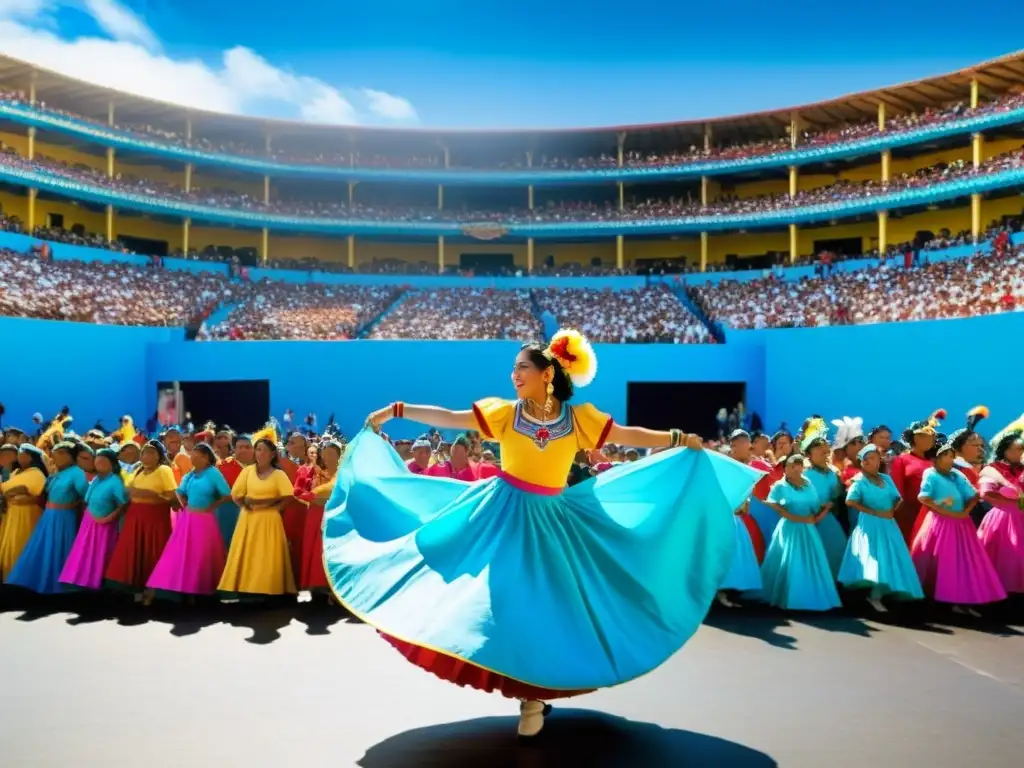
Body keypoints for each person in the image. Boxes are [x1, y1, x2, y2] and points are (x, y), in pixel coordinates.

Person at [323, 329, 761, 739]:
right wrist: (397, 410)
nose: (514, 376)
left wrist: (679, 438)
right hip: (500, 513)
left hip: (552, 520)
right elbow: (451, 418)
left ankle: (532, 698)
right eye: (513, 369)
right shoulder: (504, 414)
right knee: (501, 601)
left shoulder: (579, 420)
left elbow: (629, 434)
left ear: (547, 374)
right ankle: (524, 692)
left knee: (548, 606)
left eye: (522, 369)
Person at [910, 440, 1006, 614]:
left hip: (961, 523)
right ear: (936, 458)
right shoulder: (931, 474)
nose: (949, 458)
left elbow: (973, 495)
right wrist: (940, 509)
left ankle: (960, 596)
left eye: (951, 455)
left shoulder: (957, 475)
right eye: (945, 455)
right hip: (940, 522)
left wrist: (965, 512)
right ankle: (935, 597)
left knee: (962, 559)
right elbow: (923, 497)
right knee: (939, 559)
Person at [838, 445, 924, 612]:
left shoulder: (886, 478)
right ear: (862, 462)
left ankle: (881, 593)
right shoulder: (860, 480)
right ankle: (872, 596)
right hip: (869, 524)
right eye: (867, 459)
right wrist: (872, 511)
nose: (870, 462)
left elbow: (897, 498)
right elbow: (850, 501)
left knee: (890, 557)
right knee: (874, 558)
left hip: (888, 523)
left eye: (874, 458)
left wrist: (891, 510)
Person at [147, 443, 232, 601]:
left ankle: (203, 591)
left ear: (206, 458)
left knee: (202, 556)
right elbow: (180, 491)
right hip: (188, 520)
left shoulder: (213, 473)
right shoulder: (190, 475)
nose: (191, 457)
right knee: (183, 555)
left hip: (205, 521)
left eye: (196, 454)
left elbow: (227, 494)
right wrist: (180, 500)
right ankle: (184, 589)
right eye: (192, 454)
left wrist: (212, 506)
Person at [217, 436, 297, 601]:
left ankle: (269, 592)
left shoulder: (278, 474)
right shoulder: (248, 471)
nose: (260, 453)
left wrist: (275, 507)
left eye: (264, 450)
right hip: (249, 519)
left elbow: (289, 495)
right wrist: (245, 506)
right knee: (248, 555)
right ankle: (247, 590)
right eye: (258, 449)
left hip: (270, 520)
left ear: (272, 454)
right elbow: (236, 494)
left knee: (267, 556)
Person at [760, 454, 842, 611]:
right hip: (790, 528)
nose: (796, 469)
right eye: (792, 466)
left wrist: (824, 509)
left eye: (799, 465)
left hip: (807, 529)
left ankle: (810, 596)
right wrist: (795, 517)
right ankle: (790, 597)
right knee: (791, 561)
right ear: (786, 468)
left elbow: (815, 506)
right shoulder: (780, 486)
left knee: (810, 561)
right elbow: (774, 505)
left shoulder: (808, 484)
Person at [6, 441, 90, 594]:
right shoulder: (57, 473)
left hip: (63, 518)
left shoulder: (77, 472)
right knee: (44, 548)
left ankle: (59, 587)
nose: (56, 456)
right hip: (48, 516)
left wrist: (74, 504)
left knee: (59, 549)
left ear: (70, 456)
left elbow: (87, 495)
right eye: (55, 453)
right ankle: (38, 583)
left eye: (61, 453)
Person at [104, 440, 178, 605]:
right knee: (136, 551)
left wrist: (146, 493)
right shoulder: (138, 470)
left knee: (154, 551)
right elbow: (128, 490)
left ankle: (154, 590)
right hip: (135, 517)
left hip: (155, 517)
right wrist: (138, 493)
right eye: (144, 452)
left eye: (151, 452)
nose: (146, 456)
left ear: (159, 455)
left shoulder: (164, 470)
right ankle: (137, 588)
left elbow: (171, 497)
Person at [59, 449, 128, 590]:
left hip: (104, 526)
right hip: (89, 522)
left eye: (103, 461)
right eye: (97, 460)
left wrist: (108, 518)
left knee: (99, 555)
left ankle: (98, 583)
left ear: (112, 464)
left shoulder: (115, 481)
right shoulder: (96, 479)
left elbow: (123, 505)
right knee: (84, 551)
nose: (99, 463)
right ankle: (81, 580)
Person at [976, 416, 1024, 596]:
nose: (1017, 453)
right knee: (1005, 558)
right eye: (1013, 449)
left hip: (1021, 517)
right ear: (1004, 450)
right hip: (1002, 519)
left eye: (1020, 449)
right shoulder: (993, 469)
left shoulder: (1022, 469)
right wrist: (1013, 501)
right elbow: (986, 493)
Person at [799, 419, 848, 575]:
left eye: (826, 451)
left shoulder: (833, 473)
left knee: (837, 549)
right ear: (809, 452)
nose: (824, 454)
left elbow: (836, 497)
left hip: (827, 519)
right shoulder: (802, 472)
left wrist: (829, 507)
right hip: (805, 520)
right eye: (819, 450)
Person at [891, 410, 945, 543]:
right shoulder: (902, 460)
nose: (930, 440)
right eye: (925, 436)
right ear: (914, 438)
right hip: (908, 514)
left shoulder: (933, 463)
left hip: (933, 513)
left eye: (932, 437)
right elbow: (896, 491)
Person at [298, 440, 342, 597]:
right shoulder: (313, 471)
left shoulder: (344, 473)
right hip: (315, 513)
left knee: (330, 548)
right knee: (315, 548)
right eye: (325, 453)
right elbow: (298, 491)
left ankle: (333, 586)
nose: (328, 457)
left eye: (332, 453)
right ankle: (316, 584)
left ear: (339, 455)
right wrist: (312, 498)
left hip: (334, 514)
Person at [0, 444, 49, 580]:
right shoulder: (15, 472)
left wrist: (15, 493)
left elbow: (34, 493)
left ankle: (21, 581)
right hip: (11, 515)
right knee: (9, 547)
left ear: (30, 457)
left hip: (26, 517)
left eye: (23, 453)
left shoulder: (37, 474)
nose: (19, 456)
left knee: (20, 547)